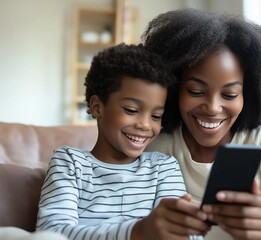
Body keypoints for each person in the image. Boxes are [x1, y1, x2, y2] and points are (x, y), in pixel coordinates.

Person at [143, 8, 261, 240]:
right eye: (196, 91)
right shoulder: (155, 143)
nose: (212, 107)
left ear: (249, 93)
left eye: (230, 94)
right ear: (174, 88)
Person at [36, 43, 211, 240]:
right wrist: (136, 233)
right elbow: (50, 232)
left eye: (156, 116)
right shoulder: (70, 162)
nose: (145, 125)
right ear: (97, 107)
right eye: (131, 110)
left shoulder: (163, 167)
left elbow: (186, 233)